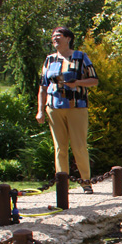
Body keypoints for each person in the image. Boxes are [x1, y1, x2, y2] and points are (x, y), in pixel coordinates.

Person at [36, 26, 98, 194]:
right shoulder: (49, 60)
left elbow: (94, 80)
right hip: (54, 108)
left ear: (68, 38)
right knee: (59, 148)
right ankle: (62, 184)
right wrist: (40, 110)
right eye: (53, 37)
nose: (55, 39)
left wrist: (77, 83)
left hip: (77, 107)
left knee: (79, 146)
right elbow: (43, 87)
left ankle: (86, 182)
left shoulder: (81, 57)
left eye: (59, 36)